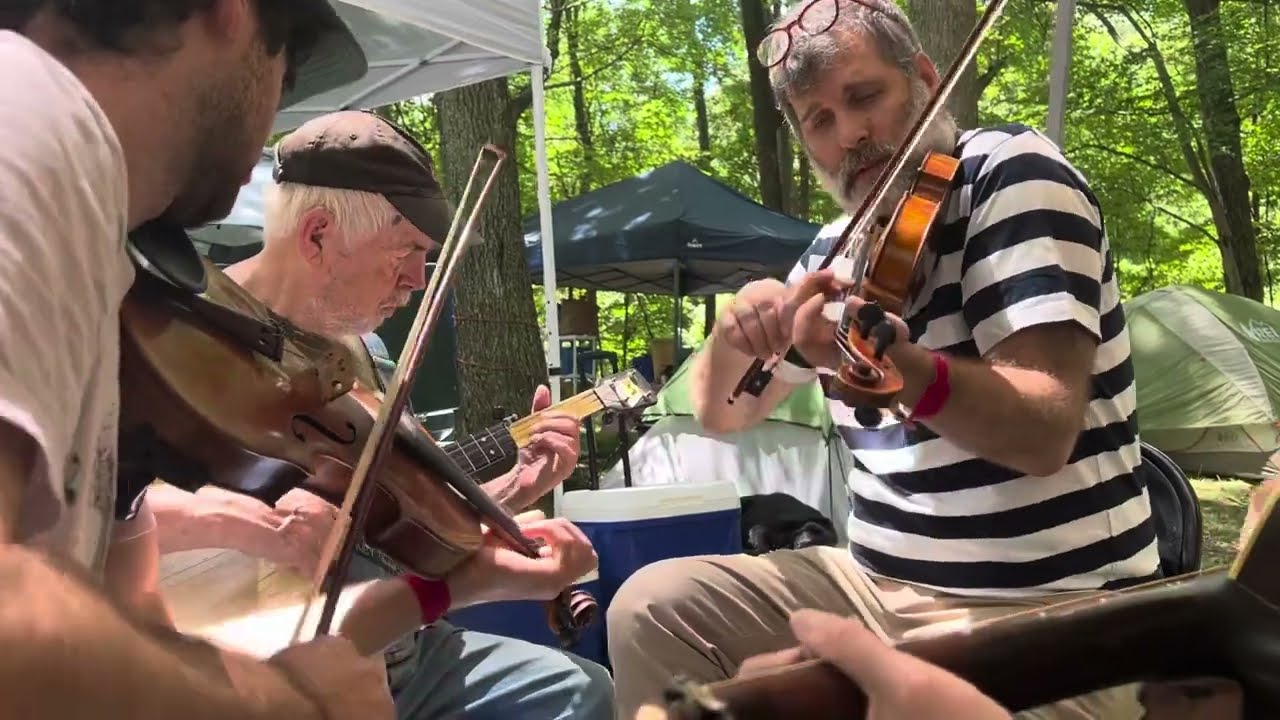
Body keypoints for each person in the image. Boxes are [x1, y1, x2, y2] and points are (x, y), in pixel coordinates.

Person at [606, 1, 1156, 718]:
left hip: (1051, 607)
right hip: (874, 588)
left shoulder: (1011, 176)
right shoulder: (837, 246)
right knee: (650, 607)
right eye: (819, 121)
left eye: (865, 97)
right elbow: (721, 412)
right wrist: (736, 332)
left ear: (925, 80)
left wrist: (894, 365)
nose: (852, 137)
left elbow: (1043, 430)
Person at [129, 110, 614, 720]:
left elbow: (388, 525)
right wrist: (241, 522)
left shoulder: (366, 355)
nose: (418, 279)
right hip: (253, 665)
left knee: (578, 691)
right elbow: (90, 509)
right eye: (406, 251)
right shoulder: (173, 340)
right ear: (317, 236)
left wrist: (511, 490)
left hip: (396, 644)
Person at [0, 2, 410, 717]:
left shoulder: (106, 230)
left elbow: (137, 613)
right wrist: (284, 702)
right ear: (234, 13)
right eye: (286, 75)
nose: (275, 120)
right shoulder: (29, 118)